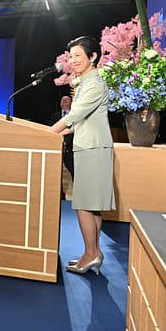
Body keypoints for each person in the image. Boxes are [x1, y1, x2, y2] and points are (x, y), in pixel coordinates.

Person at [50, 36, 115, 275]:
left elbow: (73, 116)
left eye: (78, 55)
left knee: (85, 205)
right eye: (71, 56)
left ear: (93, 57)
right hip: (90, 147)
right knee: (93, 205)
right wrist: (53, 133)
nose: (73, 60)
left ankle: (90, 254)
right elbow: (76, 123)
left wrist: (47, 133)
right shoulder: (86, 82)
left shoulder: (94, 83)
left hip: (92, 149)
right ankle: (93, 252)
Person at [50, 96, 75, 182]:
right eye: (62, 100)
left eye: (67, 100)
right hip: (55, 147)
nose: (64, 101)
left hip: (70, 148)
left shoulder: (75, 115)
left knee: (73, 172)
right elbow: (51, 130)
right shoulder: (54, 116)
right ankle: (61, 194)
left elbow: (74, 131)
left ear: (71, 103)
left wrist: (65, 142)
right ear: (60, 103)